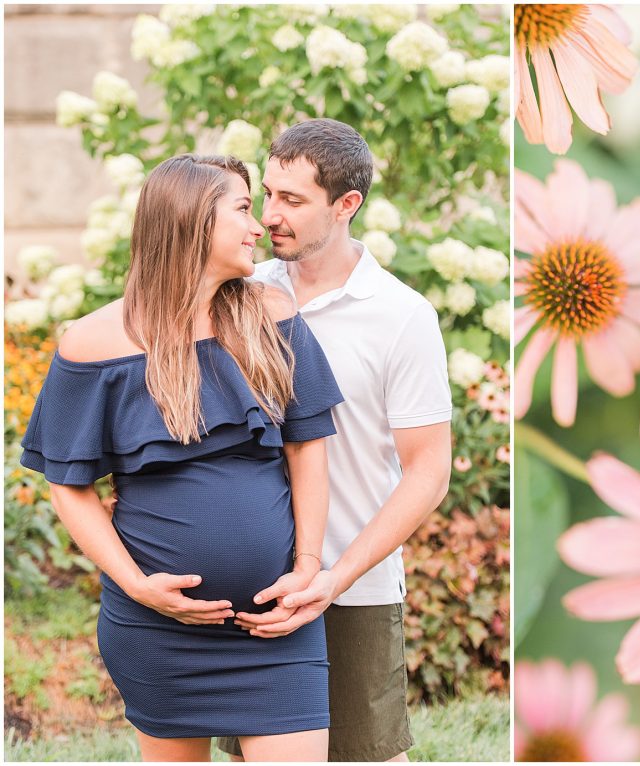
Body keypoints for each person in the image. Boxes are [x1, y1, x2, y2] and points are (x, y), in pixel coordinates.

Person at [19, 154, 341, 762]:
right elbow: (69, 485)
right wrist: (138, 586)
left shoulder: (272, 316)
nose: (259, 227)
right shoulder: (92, 343)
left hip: (276, 627)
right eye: (243, 209)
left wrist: (306, 566)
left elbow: (307, 445)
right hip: (160, 633)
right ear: (192, 221)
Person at [218, 119, 453, 762]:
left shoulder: (401, 316)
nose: (269, 217)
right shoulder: (239, 294)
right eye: (266, 194)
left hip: (353, 587)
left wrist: (333, 576)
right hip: (254, 582)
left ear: (347, 204)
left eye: (292, 201)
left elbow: (428, 471)